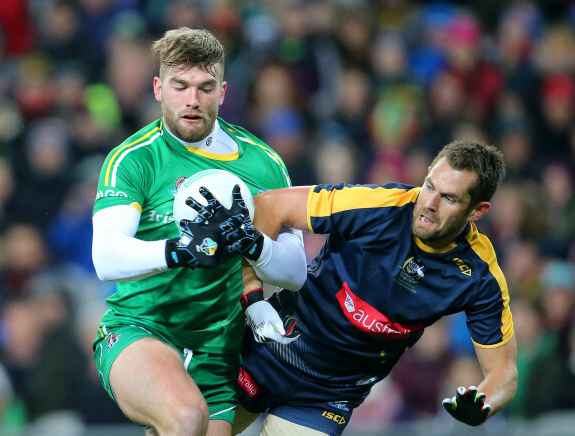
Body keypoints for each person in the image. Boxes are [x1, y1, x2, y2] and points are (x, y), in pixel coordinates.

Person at [90, 27, 306, 436]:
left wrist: (254, 244)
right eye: (180, 86)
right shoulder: (133, 160)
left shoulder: (266, 165)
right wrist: (180, 249)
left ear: (223, 92)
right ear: (158, 88)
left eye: (206, 87)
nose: (193, 99)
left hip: (218, 349)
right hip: (141, 328)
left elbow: (295, 272)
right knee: (187, 417)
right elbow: (106, 257)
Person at [225, 140, 518, 435]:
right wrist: (253, 296)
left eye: (450, 199)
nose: (430, 203)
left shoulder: (481, 275)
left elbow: (503, 372)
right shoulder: (377, 205)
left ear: (477, 211)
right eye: (430, 186)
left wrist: (482, 407)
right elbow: (270, 204)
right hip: (266, 353)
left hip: (328, 397)